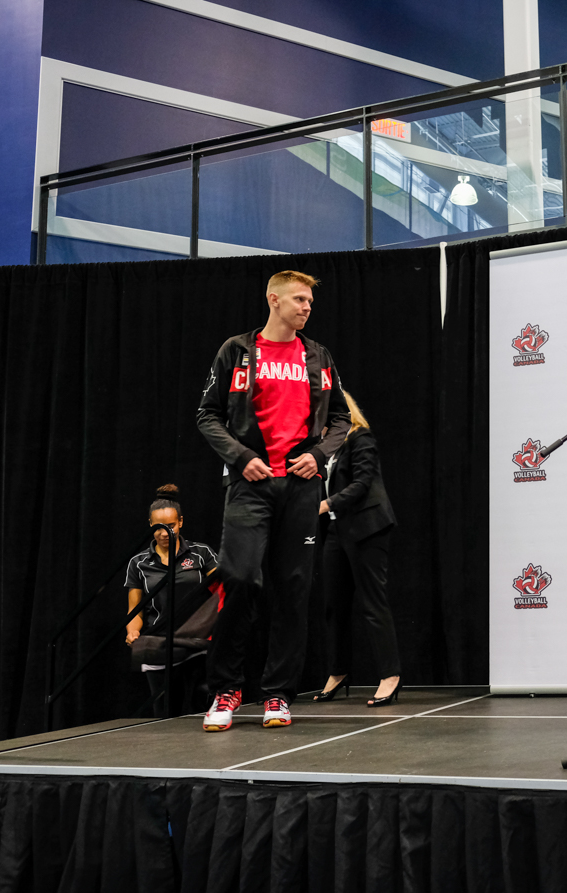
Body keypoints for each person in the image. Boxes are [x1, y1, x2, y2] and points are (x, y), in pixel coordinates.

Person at [196, 270, 350, 732]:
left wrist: (318, 455)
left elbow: (341, 419)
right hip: (250, 486)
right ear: (274, 300)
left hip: (300, 489)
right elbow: (207, 415)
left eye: (310, 301)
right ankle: (225, 690)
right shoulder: (236, 351)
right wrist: (241, 457)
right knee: (239, 580)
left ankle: (278, 694)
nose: (307, 307)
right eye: (299, 299)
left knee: (292, 591)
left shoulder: (318, 355)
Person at [314, 390, 401, 707]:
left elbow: (362, 483)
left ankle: (390, 676)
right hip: (338, 529)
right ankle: (338, 672)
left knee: (372, 602)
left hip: (367, 527)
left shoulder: (359, 437)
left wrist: (326, 504)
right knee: (333, 605)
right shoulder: (325, 447)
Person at [124, 484, 222, 716]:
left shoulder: (201, 554)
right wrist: (132, 632)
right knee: (166, 711)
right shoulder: (138, 563)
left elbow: (222, 593)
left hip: (198, 639)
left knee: (204, 705)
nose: (163, 533)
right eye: (158, 527)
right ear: (150, 525)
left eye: (169, 526)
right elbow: (135, 610)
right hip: (159, 642)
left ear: (180, 522)